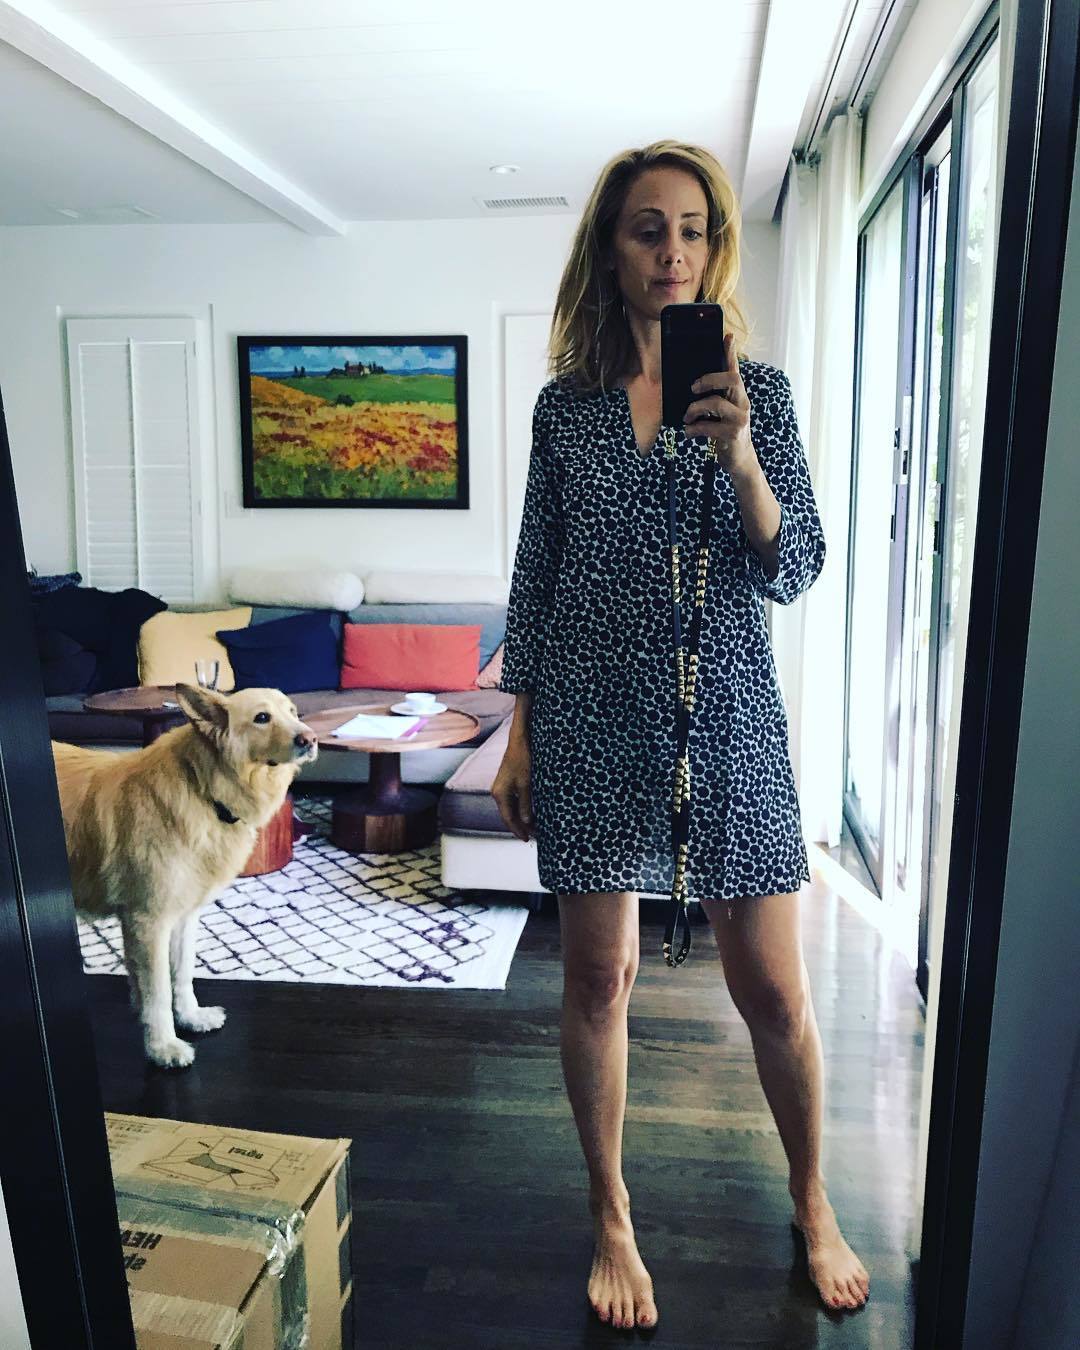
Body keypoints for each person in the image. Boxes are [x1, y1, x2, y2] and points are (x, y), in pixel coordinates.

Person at [491, 139, 870, 1328]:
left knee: (776, 995)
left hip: (732, 725)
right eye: (648, 229)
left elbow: (795, 566)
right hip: (592, 723)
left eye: (694, 230)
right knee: (598, 979)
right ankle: (611, 1215)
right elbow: (537, 577)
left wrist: (741, 455)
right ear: (611, 250)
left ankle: (812, 1200)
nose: (673, 252)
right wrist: (519, 734)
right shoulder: (566, 410)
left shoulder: (765, 397)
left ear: (716, 248)